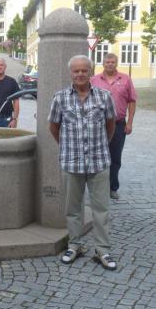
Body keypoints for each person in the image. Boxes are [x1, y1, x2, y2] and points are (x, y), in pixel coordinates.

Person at [49, 55, 117, 270]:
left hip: (99, 162)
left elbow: (111, 125)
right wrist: (68, 146)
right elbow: (54, 127)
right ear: (71, 73)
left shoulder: (104, 97)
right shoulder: (60, 98)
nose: (80, 74)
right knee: (73, 209)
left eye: (84, 71)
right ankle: (75, 245)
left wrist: (101, 145)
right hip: (72, 162)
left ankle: (102, 250)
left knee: (101, 209)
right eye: (76, 71)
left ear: (90, 72)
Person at [90, 52, 137, 200]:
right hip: (98, 125)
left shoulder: (126, 79)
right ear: (102, 63)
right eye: (107, 62)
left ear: (116, 63)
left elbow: (132, 101)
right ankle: (98, 187)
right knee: (97, 156)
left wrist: (130, 122)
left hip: (118, 125)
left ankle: (112, 187)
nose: (110, 64)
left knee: (115, 157)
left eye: (112, 62)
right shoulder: (94, 80)